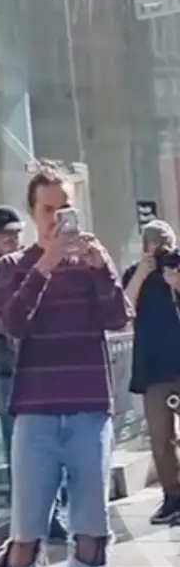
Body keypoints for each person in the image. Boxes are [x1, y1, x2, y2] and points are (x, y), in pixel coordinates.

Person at [0, 163, 132, 567]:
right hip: (35, 413)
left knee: (91, 525)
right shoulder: (13, 268)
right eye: (48, 209)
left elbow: (117, 319)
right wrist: (45, 264)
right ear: (33, 213)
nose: (58, 218)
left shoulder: (92, 262)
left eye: (64, 208)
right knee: (26, 529)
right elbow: (12, 326)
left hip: (91, 409)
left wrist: (101, 269)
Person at [0, 204, 68, 541]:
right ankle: (27, 516)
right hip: (5, 369)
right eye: (5, 236)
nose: (12, 241)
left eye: (17, 234)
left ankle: (54, 512)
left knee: (50, 443)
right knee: (17, 444)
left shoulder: (38, 263)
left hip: (39, 366)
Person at [122, 220, 180, 525]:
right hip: (153, 369)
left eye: (164, 245)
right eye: (153, 245)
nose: (160, 252)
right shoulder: (135, 274)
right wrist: (144, 274)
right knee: (160, 438)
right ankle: (172, 495)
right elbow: (122, 311)